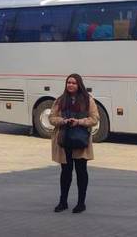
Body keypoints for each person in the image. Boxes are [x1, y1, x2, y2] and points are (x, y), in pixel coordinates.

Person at [49, 74, 99, 214]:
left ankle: (81, 203)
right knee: (65, 172)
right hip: (64, 141)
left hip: (80, 140)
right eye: (68, 82)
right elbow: (52, 118)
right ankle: (63, 202)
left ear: (79, 85)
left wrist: (79, 122)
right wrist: (63, 121)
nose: (70, 85)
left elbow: (94, 118)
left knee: (81, 171)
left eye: (74, 83)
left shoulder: (88, 100)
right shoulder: (60, 100)